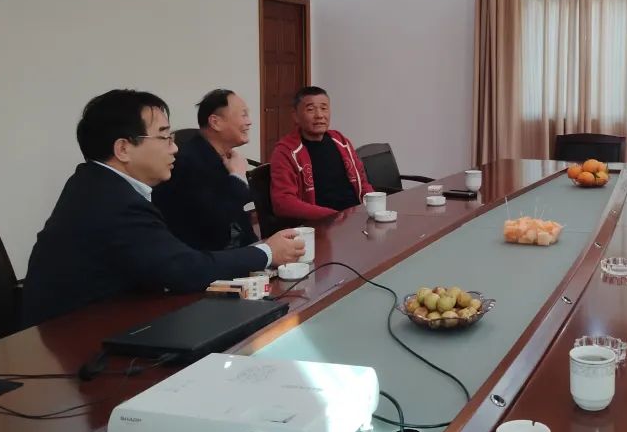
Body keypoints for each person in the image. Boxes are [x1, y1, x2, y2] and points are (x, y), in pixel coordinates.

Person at [23, 89, 304, 327]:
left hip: (106, 319)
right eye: (164, 137)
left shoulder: (95, 183)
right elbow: (184, 269)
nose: (174, 149)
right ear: (123, 149)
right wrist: (267, 251)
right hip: (76, 337)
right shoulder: (112, 202)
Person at [152, 89, 258, 251]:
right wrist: (238, 177)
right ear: (215, 122)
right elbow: (218, 219)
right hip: (203, 256)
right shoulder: (187, 162)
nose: (249, 122)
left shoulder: (223, 156)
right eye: (243, 115)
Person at [269, 86, 373, 221]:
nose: (319, 115)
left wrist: (374, 205)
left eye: (324, 108)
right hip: (321, 223)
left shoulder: (341, 141)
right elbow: (283, 202)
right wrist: (332, 216)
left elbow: (362, 182)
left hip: (355, 218)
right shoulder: (286, 151)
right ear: (295, 116)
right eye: (310, 109)